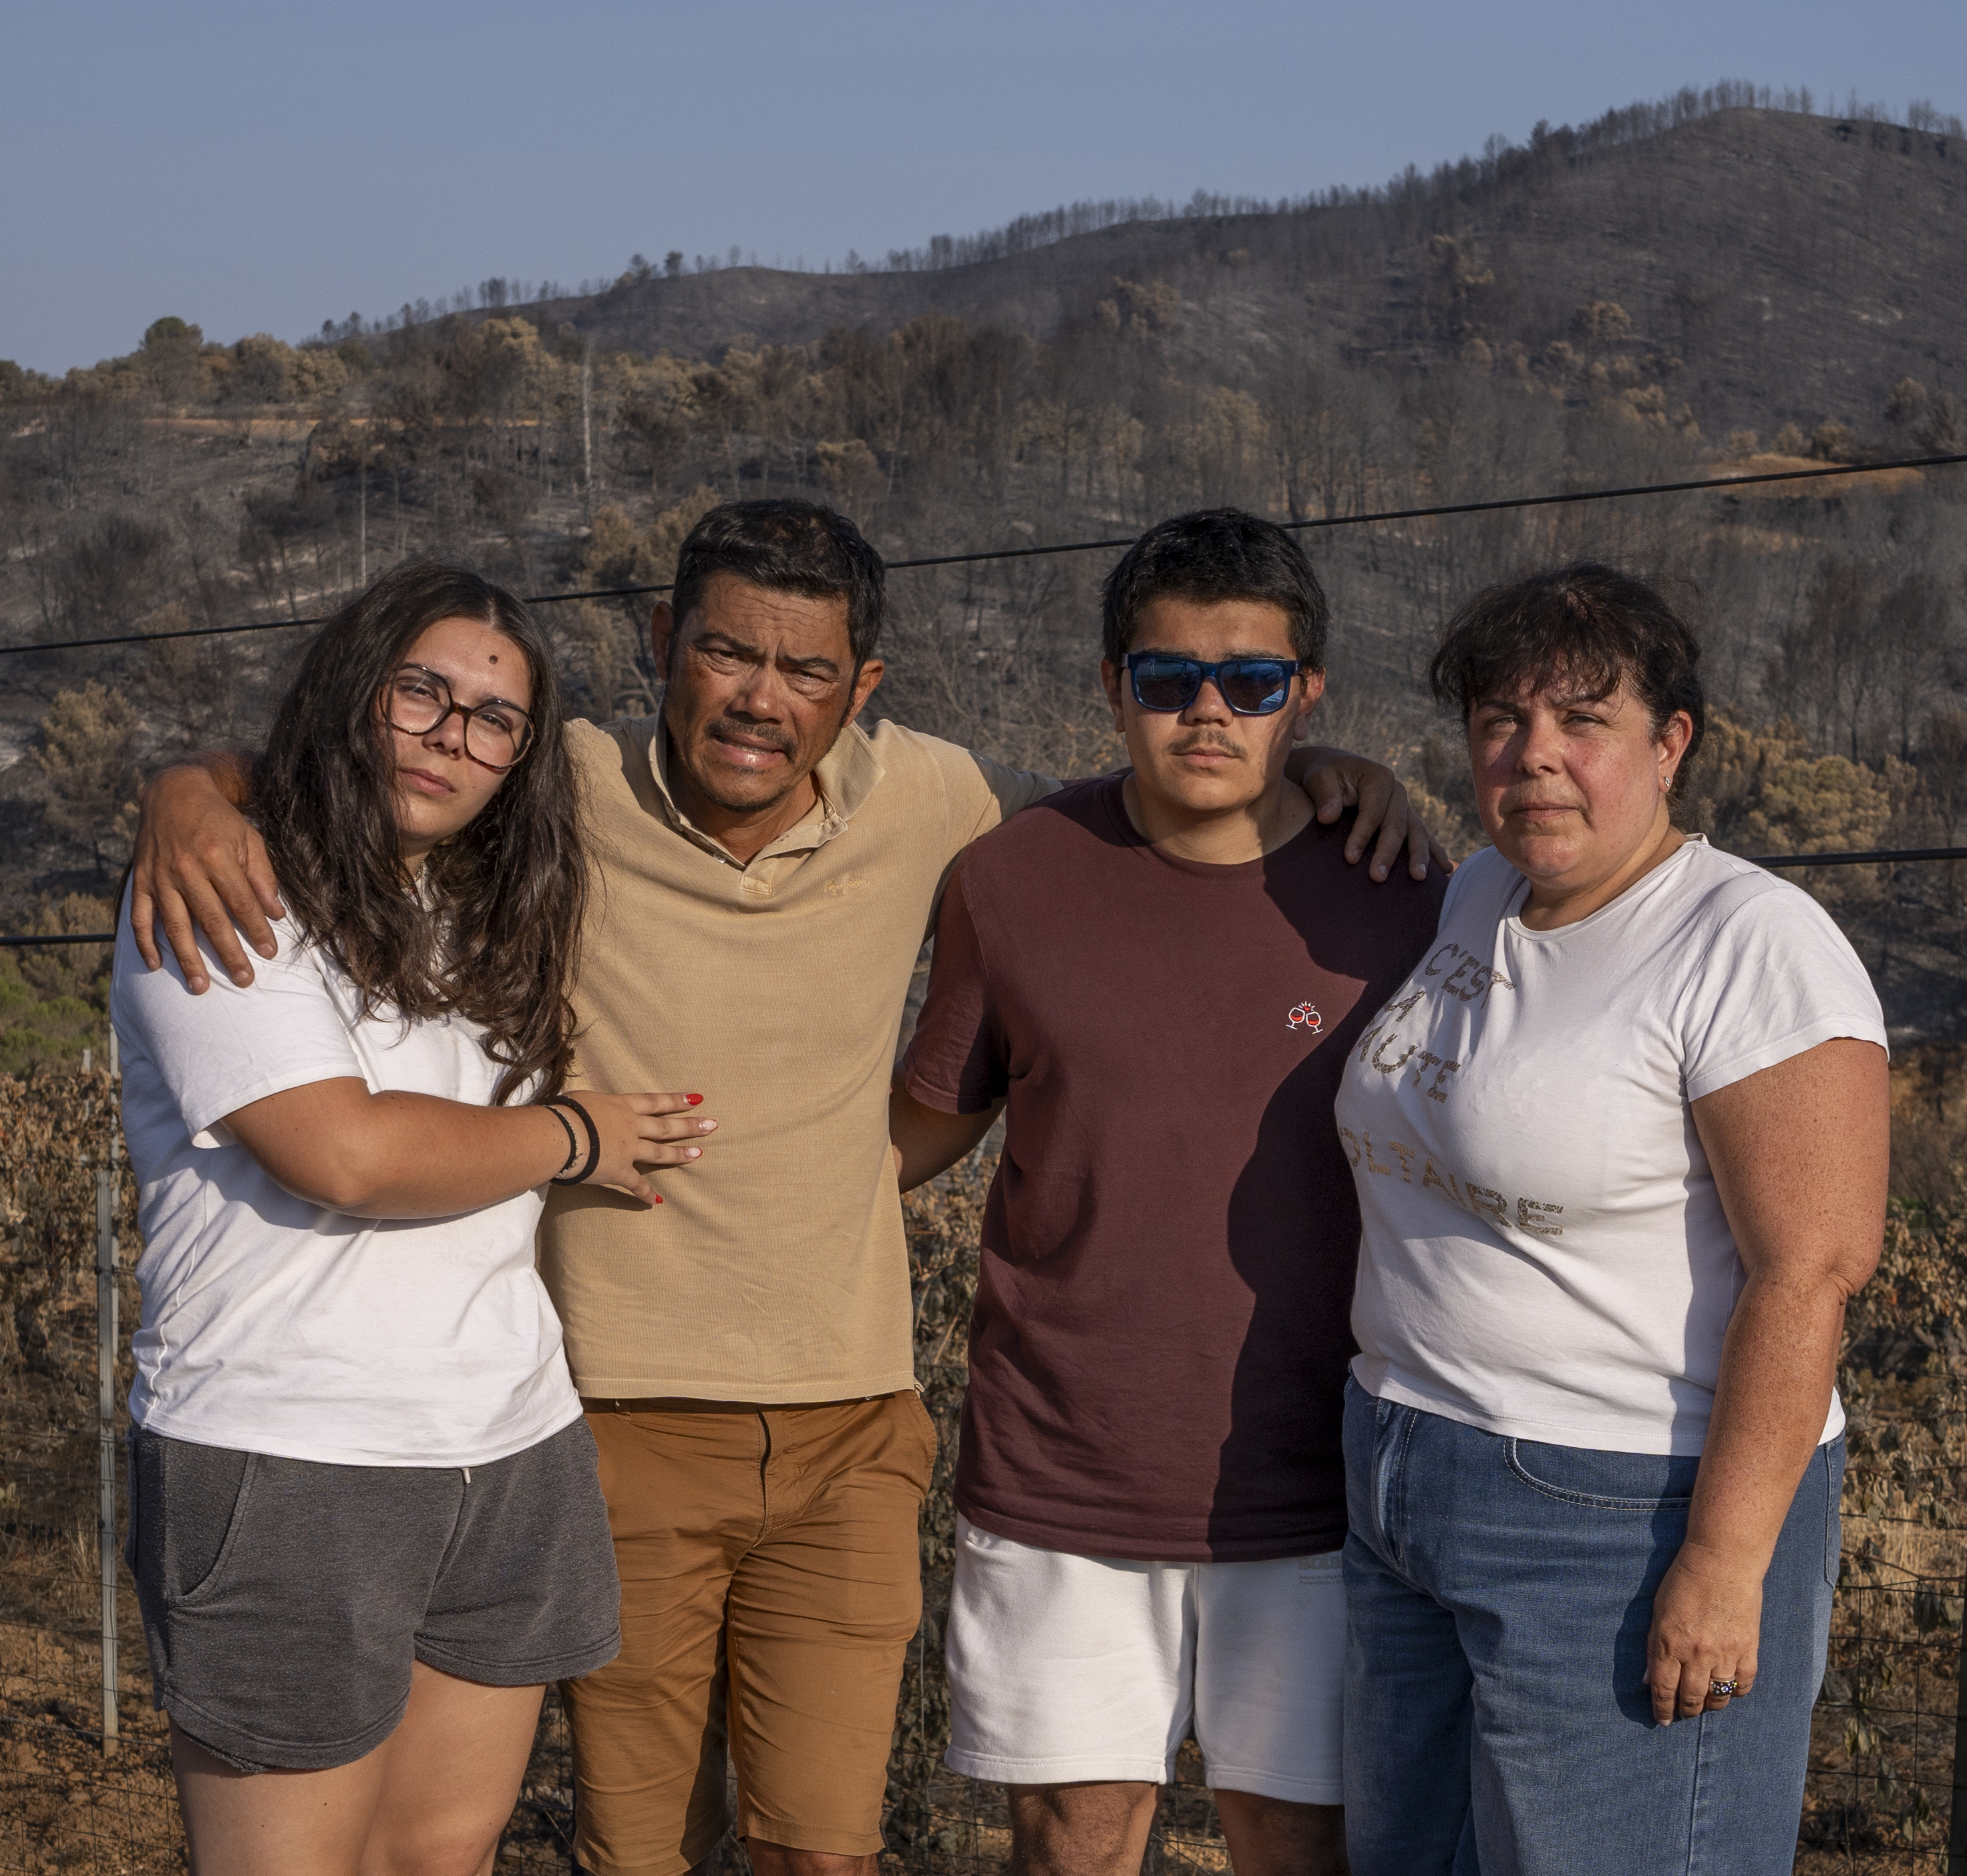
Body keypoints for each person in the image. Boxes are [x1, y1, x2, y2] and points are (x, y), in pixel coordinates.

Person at [124, 501, 1439, 1876]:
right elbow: (358, 760)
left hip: (848, 1431)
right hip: (601, 1416)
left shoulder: (945, 808)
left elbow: (1178, 802)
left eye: (808, 670)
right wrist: (193, 791)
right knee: (632, 1850)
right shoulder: (551, 776)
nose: (762, 698)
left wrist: (1332, 772)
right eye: (726, 654)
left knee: (822, 1848)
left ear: (861, 690)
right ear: (661, 647)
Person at [111, 560, 720, 1876]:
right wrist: (577, 1136)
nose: (453, 734)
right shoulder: (224, 887)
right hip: (288, 1452)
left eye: (492, 717)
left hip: (507, 1441)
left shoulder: (483, 902)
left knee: (442, 1855)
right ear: (355, 691)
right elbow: (341, 1152)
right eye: (422, 693)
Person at [892, 511, 1445, 1876]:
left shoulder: (1405, 894)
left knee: (1299, 1845)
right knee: (1073, 1843)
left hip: (1324, 1481)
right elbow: (916, 1134)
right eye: (1166, 679)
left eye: (1252, 682)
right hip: (1060, 1476)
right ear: (1109, 685)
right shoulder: (1010, 880)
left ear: (1306, 692)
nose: (1208, 711)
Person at [1330, 561, 1889, 1873]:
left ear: (1669, 741)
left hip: (1614, 1510)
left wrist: (1722, 1561)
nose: (1534, 758)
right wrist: (1322, 774)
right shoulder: (1476, 893)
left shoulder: (1747, 945)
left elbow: (1811, 1268)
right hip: (1403, 1470)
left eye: (1582, 721)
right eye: (1497, 724)